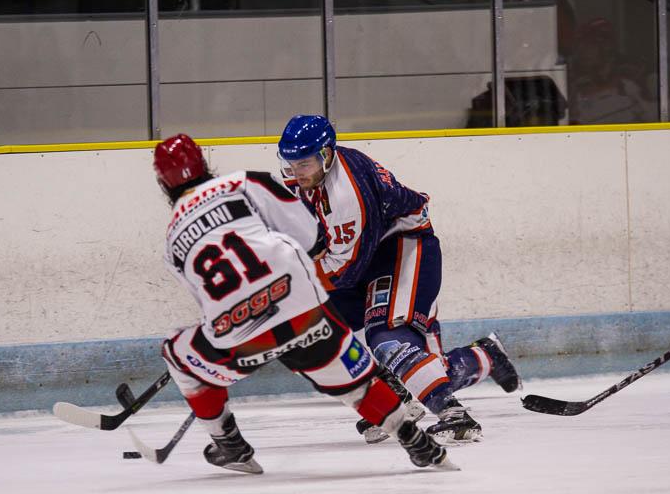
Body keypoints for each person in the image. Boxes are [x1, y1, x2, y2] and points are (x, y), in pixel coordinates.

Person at [152, 133, 458, 474]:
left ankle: (229, 443)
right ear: (205, 164)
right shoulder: (245, 182)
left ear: (163, 184)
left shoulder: (171, 238)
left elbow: (206, 297)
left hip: (239, 332)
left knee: (175, 353)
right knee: (354, 383)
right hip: (301, 309)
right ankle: (416, 441)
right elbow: (308, 235)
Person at [276, 115, 522, 444]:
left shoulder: (346, 194)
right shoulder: (307, 174)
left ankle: (454, 415)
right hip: (368, 252)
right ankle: (472, 362)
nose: (296, 171)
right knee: (322, 328)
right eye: (291, 163)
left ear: (326, 154)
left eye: (304, 163)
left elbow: (344, 270)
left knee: (388, 339)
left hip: (403, 248)